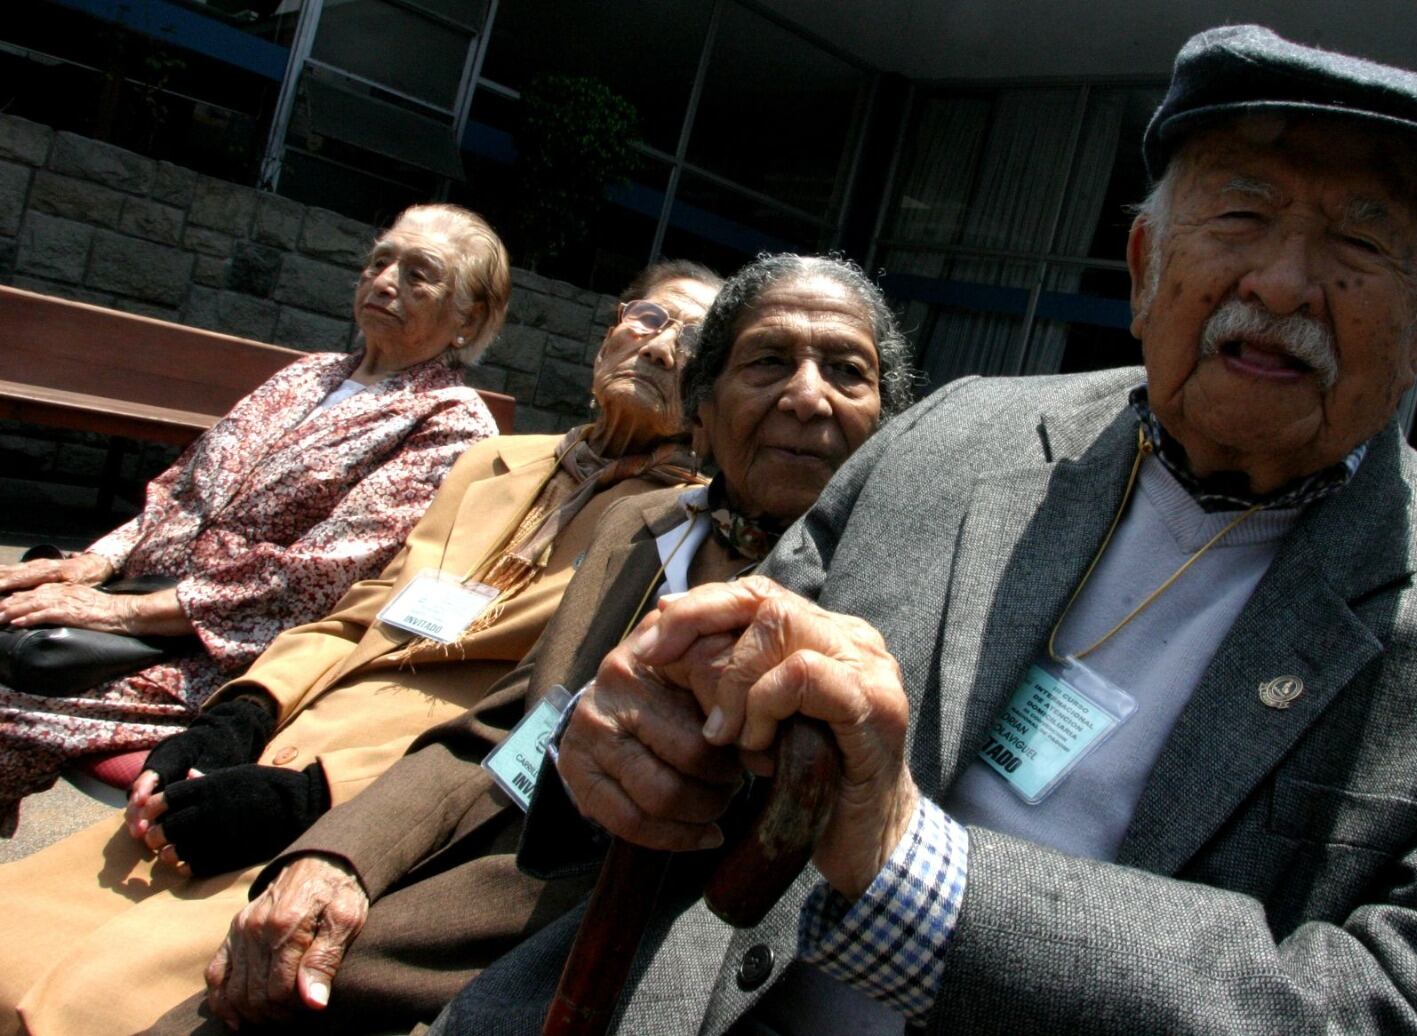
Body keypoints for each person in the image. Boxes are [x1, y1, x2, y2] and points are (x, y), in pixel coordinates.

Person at [441, 26, 1417, 1036]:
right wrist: (623, 742)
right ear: (1144, 265)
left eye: (1360, 241)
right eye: (1240, 211)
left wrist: (916, 868)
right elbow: (695, 696)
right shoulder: (956, 433)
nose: (1286, 282)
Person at [135, 253, 917, 1035]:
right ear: (703, 409)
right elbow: (500, 727)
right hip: (448, 897)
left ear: (885, 424)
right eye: (769, 361)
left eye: (848, 371)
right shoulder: (636, 531)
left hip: (602, 965)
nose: (808, 396)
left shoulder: (875, 611)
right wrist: (338, 857)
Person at [0, 258, 724, 1036]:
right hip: (286, 737)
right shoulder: (496, 464)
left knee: (98, 1003)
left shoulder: (682, 534)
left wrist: (319, 795)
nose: (658, 348)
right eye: (649, 319)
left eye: (693, 341)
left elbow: (538, 715)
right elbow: (364, 611)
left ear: (715, 396)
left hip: (391, 805)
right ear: (611, 329)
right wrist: (242, 710)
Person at [0, 202, 508, 830]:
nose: (383, 281)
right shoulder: (310, 373)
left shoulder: (448, 420)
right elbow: (182, 492)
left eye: (418, 274)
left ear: (470, 318)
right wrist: (89, 565)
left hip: (219, 656)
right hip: (132, 603)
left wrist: (120, 610)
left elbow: (316, 578)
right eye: (380, 261)